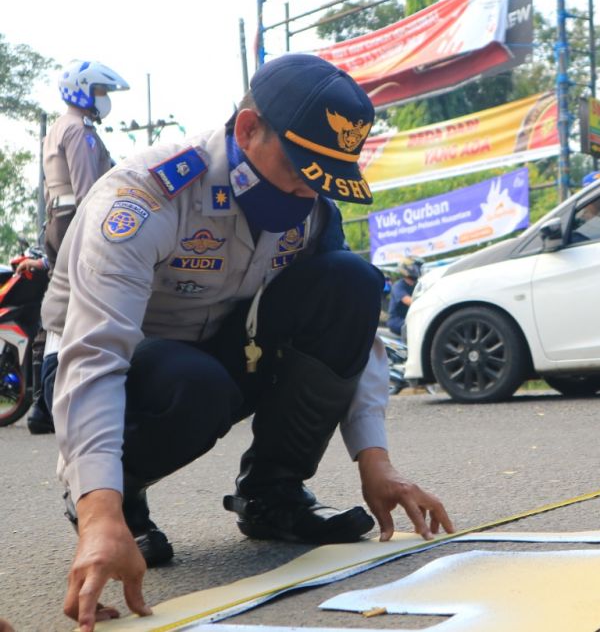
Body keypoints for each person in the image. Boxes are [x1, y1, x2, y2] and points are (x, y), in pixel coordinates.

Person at [39, 53, 454, 631]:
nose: (309, 191)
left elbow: (355, 333)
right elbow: (96, 354)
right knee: (194, 384)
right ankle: (114, 495)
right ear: (247, 129)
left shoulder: (309, 207)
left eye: (324, 175)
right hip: (111, 358)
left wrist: (376, 462)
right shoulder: (143, 198)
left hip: (215, 343)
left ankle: (272, 495)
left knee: (352, 281)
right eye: (300, 166)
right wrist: (98, 511)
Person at [26, 59, 129, 435]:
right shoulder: (79, 131)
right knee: (76, 303)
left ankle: (41, 402)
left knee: (61, 302)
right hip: (75, 220)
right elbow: (90, 190)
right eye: (101, 91)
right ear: (84, 90)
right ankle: (51, 400)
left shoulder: (60, 126)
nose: (104, 99)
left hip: (58, 219)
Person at [386, 257, 422, 336]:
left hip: (409, 318)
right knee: (419, 327)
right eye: (416, 267)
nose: (418, 269)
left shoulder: (417, 285)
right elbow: (409, 301)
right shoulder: (398, 286)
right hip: (397, 321)